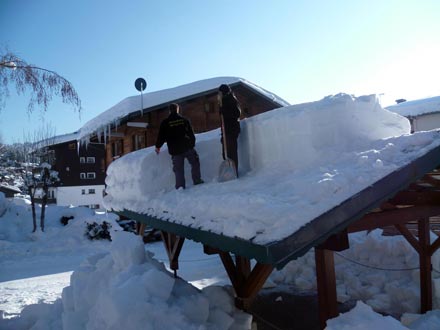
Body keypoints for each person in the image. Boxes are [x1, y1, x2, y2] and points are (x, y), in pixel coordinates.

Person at [155, 103, 204, 189]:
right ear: (177, 109)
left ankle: (180, 187)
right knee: (195, 162)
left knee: (178, 169)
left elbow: (161, 137)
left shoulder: (165, 122)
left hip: (175, 150)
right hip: (187, 147)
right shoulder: (184, 120)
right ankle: (197, 180)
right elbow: (191, 134)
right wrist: (192, 144)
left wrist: (158, 147)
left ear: (169, 111)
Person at [218, 84, 241, 174]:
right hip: (225, 131)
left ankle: (234, 172)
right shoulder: (222, 102)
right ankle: (228, 171)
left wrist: (224, 111)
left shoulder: (232, 100)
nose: (219, 94)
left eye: (220, 92)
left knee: (231, 153)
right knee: (225, 153)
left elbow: (237, 114)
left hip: (232, 130)